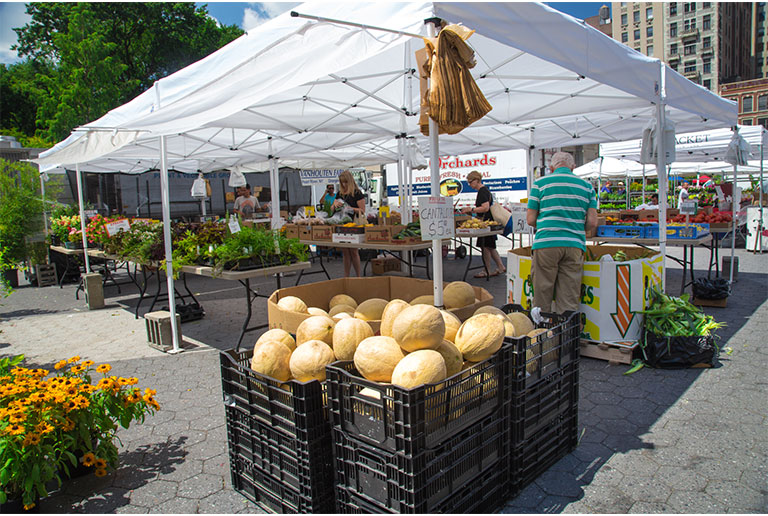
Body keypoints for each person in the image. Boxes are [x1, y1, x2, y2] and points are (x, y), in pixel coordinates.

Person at [527, 151, 597, 314]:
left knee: (542, 294)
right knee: (569, 297)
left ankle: (541, 334)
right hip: (574, 245)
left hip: (546, 244)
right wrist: (576, 227)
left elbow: (530, 220)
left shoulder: (539, 184)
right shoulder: (586, 187)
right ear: (573, 167)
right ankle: (566, 335)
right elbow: (593, 222)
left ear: (551, 168)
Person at [462, 170, 506, 278]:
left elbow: (485, 207)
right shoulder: (485, 190)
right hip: (489, 223)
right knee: (490, 246)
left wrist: (471, 209)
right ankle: (500, 266)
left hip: (486, 224)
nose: (470, 185)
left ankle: (486, 270)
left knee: (485, 247)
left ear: (477, 180)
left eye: (470, 182)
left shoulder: (482, 191)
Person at [332, 170, 366, 277]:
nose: (344, 184)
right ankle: (346, 276)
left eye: (345, 182)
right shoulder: (339, 194)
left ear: (350, 181)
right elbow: (332, 209)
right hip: (342, 225)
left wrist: (350, 208)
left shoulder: (357, 193)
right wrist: (335, 205)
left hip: (353, 225)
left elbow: (362, 210)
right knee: (345, 252)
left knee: (354, 251)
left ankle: (358, 276)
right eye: (342, 182)